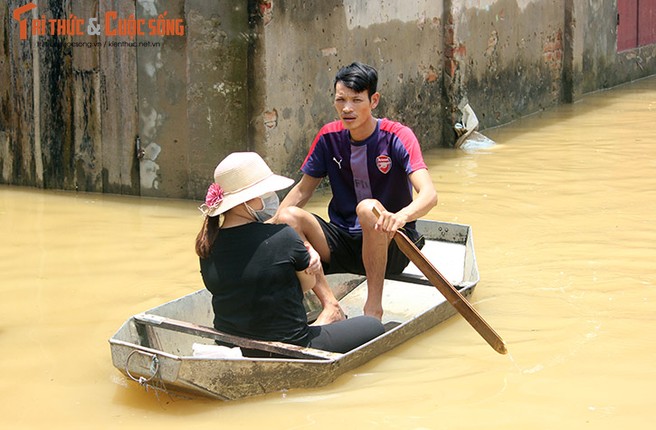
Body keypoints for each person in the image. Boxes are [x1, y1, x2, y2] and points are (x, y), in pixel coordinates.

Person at [273, 62, 438, 320]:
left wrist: (401, 217)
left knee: (367, 208)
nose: (347, 108)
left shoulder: (397, 136)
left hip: (392, 243)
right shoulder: (328, 136)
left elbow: (429, 195)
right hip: (343, 244)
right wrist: (272, 230)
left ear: (374, 101)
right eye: (341, 100)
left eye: (356, 100)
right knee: (288, 216)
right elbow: (303, 191)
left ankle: (373, 310)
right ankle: (331, 305)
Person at [194, 152, 385, 356]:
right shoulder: (283, 236)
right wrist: (314, 265)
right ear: (247, 200)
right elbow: (305, 286)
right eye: (265, 194)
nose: (271, 199)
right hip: (290, 347)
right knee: (372, 325)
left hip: (232, 347)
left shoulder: (206, 245)